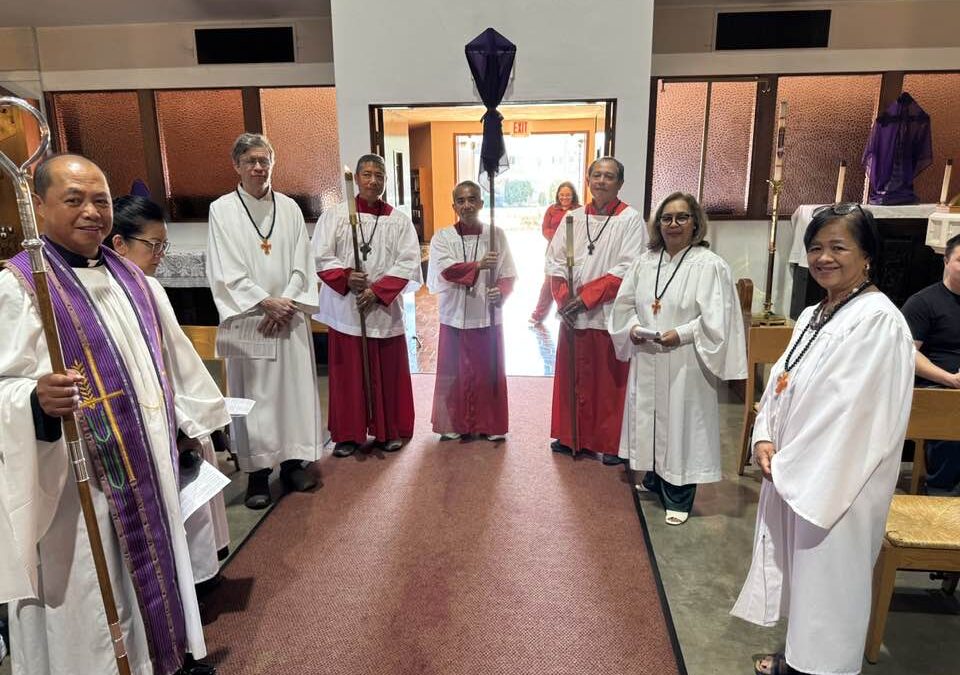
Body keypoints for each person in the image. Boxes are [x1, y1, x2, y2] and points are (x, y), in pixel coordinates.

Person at [0, 154, 228, 674]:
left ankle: (165, 661)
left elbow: (169, 358)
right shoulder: (19, 287)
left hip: (146, 465)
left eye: (100, 200)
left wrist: (190, 426)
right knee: (91, 593)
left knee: (154, 570)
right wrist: (34, 400)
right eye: (73, 199)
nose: (91, 213)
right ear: (38, 205)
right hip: (74, 487)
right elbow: (3, 386)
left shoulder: (132, 278)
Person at [731, 203, 915, 675]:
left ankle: (822, 669)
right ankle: (797, 658)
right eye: (816, 247)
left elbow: (853, 416)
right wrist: (765, 435)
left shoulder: (878, 321)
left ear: (867, 255)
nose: (824, 258)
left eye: (838, 247)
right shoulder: (818, 311)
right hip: (797, 470)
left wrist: (790, 461)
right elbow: (781, 383)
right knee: (805, 583)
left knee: (831, 589)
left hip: (838, 482)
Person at [107, 195, 232, 586]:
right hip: (153, 420)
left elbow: (176, 360)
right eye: (153, 245)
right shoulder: (115, 293)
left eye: (164, 245)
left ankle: (200, 574)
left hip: (177, 414)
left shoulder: (148, 286)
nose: (160, 254)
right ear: (119, 244)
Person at [608, 193, 746, 525]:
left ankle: (680, 497)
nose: (673, 224)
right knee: (651, 419)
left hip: (686, 359)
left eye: (682, 218)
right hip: (648, 353)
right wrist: (635, 327)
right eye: (666, 218)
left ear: (696, 223)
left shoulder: (709, 265)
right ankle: (655, 480)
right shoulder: (645, 262)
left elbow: (718, 318)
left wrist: (681, 333)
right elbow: (623, 306)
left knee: (683, 423)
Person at [207, 133, 322, 509]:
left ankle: (292, 463)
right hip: (251, 319)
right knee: (253, 396)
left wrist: (285, 301)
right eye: (251, 161)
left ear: (272, 163)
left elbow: (302, 261)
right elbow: (225, 268)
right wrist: (264, 301)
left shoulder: (289, 208)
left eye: (264, 160)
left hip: (287, 317)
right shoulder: (222, 210)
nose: (258, 167)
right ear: (236, 166)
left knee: (293, 392)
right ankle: (257, 473)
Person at [312, 154, 422, 457]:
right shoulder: (334, 216)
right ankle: (348, 434)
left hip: (382, 309)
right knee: (349, 375)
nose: (373, 181)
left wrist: (377, 291)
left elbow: (409, 262)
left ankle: (389, 430)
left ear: (386, 181)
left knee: (386, 372)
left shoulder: (398, 220)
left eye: (379, 176)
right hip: (347, 309)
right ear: (357, 179)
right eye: (367, 175)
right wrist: (349, 278)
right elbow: (321, 256)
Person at [546, 156, 647, 463]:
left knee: (607, 382)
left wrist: (587, 297)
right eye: (597, 175)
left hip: (608, 313)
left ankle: (609, 442)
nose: (602, 181)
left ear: (620, 183)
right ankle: (572, 436)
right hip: (574, 314)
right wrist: (564, 298)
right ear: (588, 180)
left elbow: (629, 267)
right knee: (574, 376)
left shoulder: (630, 219)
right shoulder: (573, 217)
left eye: (609, 176)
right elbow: (555, 260)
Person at [427, 181, 517, 441]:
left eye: (472, 199)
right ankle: (453, 422)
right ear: (453, 205)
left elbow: (508, 273)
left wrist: (500, 291)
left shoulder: (495, 234)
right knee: (452, 370)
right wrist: (478, 265)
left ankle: (490, 423)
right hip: (454, 313)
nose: (467, 205)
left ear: (481, 203)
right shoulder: (442, 237)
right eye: (461, 200)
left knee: (487, 369)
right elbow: (447, 270)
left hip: (485, 314)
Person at [900, 232, 960, 493]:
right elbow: (906, 354)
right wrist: (950, 379)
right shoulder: (923, 303)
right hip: (937, 387)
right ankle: (943, 493)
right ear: (946, 261)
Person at [530, 181, 579, 324]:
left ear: (573, 195)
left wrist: (569, 240)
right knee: (549, 284)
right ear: (558, 195)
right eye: (562, 194)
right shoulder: (552, 209)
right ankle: (538, 314)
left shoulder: (579, 210)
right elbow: (545, 229)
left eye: (568, 195)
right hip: (554, 252)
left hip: (573, 252)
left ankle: (568, 313)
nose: (564, 197)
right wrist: (559, 238)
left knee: (571, 284)